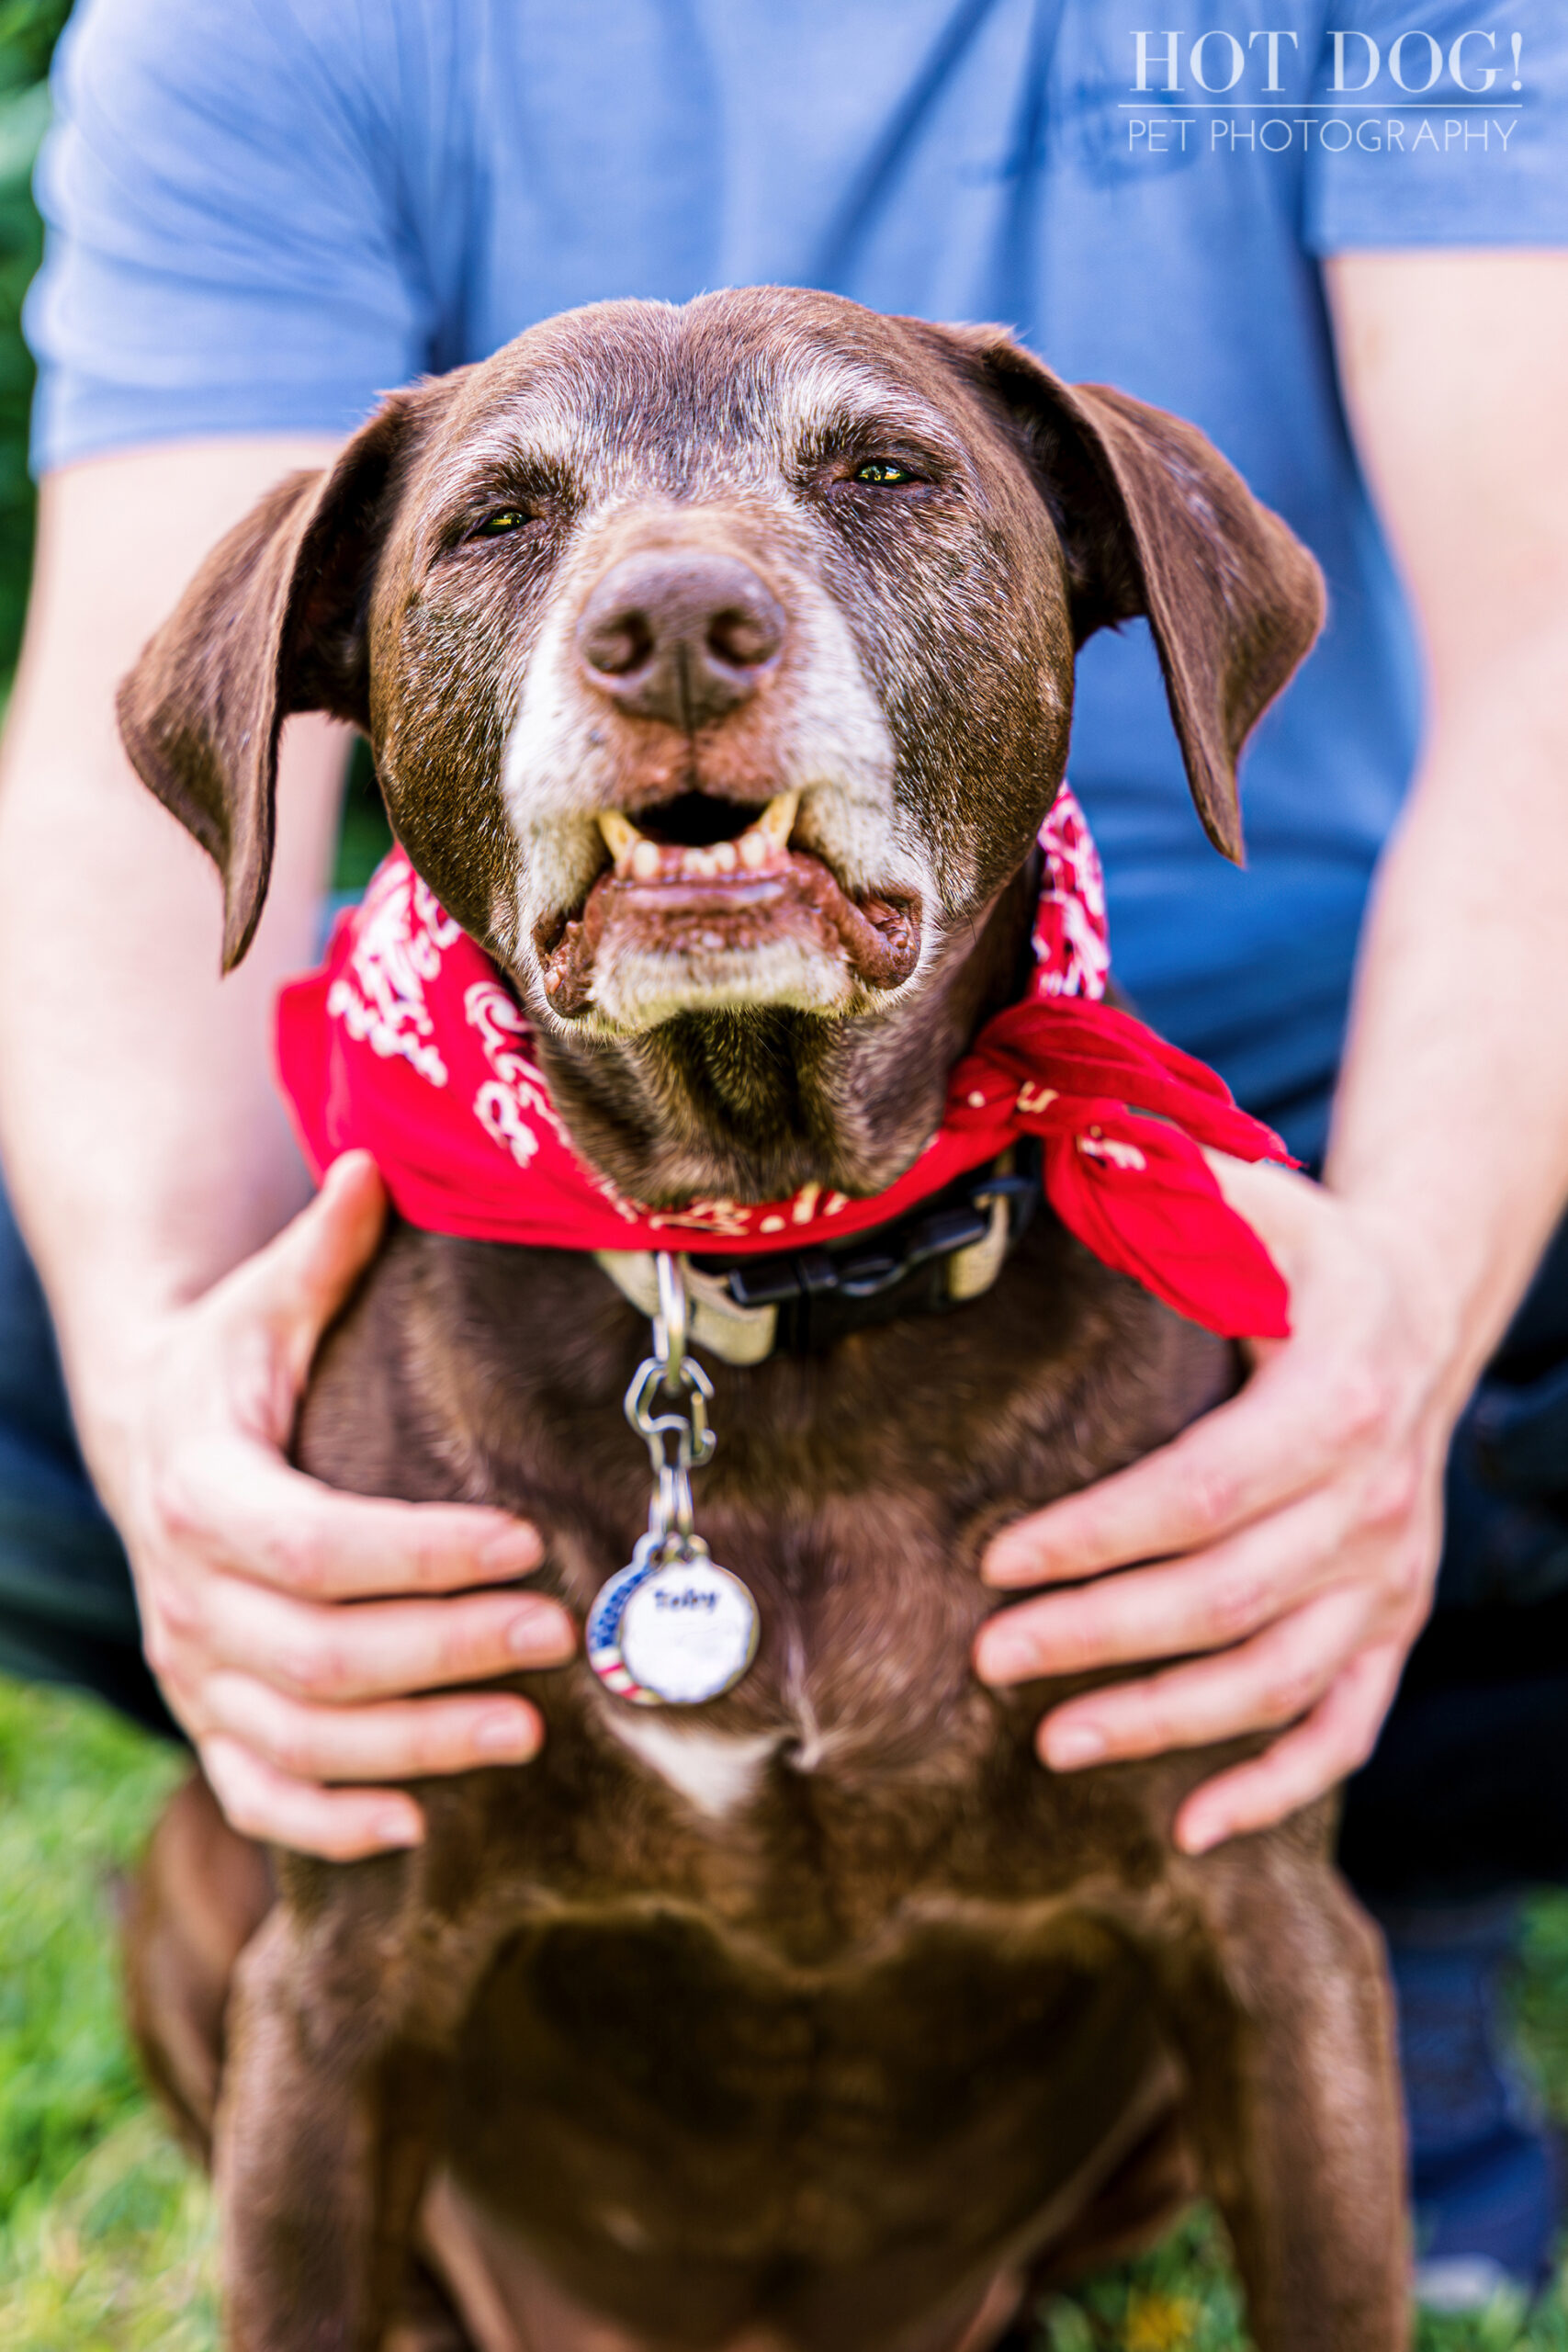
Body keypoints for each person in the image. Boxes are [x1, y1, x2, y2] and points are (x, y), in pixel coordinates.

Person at [0, 0, 1565, 2309]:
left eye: (879, 481)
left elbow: (1550, 675)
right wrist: (170, 1422)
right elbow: (96, 819)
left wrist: (1398, 1327)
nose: (675, 616)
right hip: (482, 1143)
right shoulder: (267, 20)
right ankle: (412, 1812)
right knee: (42, 1253)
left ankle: (1368, 1823)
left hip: (1236, 1030)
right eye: (513, 528)